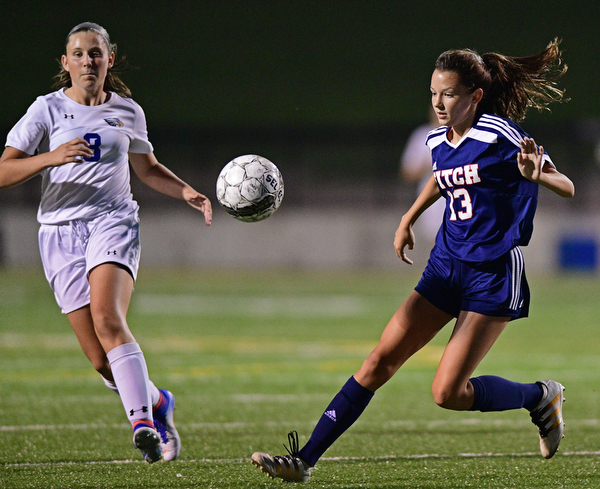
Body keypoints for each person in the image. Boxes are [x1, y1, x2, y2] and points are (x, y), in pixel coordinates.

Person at [251, 39, 574, 482]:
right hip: (445, 264)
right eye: (434, 94)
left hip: (492, 272)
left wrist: (539, 174)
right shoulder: (437, 139)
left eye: (449, 94)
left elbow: (567, 186)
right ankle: (304, 460)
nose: (439, 104)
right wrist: (409, 216)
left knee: (447, 392)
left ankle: (539, 396)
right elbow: (442, 179)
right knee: (377, 361)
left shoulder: (501, 135)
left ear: (475, 97)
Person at [0, 22, 212, 463]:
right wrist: (50, 157)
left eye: (95, 53)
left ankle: (142, 425)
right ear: (65, 63)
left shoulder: (128, 111)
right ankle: (157, 402)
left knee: (108, 318)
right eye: (77, 54)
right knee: (101, 359)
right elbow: (3, 171)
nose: (87, 62)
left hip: (112, 221)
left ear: (109, 59)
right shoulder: (46, 110)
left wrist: (186, 191)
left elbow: (147, 168)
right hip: (59, 233)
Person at [399, 106, 444, 245]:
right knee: (435, 239)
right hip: (430, 196)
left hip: (457, 194)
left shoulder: (460, 133)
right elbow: (406, 172)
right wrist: (430, 166)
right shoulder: (421, 136)